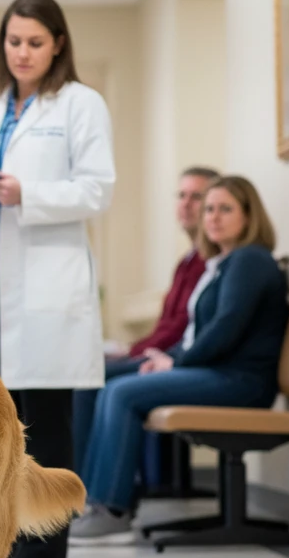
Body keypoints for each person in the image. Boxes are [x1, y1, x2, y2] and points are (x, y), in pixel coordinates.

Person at [0, 0, 115, 558]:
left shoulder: (79, 105)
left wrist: (29, 194)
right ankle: (8, 540)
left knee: (45, 417)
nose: (22, 52)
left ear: (58, 44)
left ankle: (48, 551)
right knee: (0, 422)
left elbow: (98, 189)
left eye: (35, 42)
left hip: (46, 281)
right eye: (14, 41)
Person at [69, 176, 288, 545]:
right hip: (219, 372)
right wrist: (169, 357)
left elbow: (225, 329)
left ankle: (112, 510)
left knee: (122, 393)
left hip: (241, 381)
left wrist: (177, 362)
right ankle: (95, 501)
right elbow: (204, 333)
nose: (213, 217)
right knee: (109, 383)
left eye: (226, 209)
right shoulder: (226, 262)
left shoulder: (250, 260)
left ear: (250, 216)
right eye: (209, 210)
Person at [72, 166, 218, 475]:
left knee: (92, 382)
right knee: (89, 372)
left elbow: (182, 328)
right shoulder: (188, 261)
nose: (186, 204)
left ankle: (86, 488)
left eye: (197, 196)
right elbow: (167, 324)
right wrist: (135, 348)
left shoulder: (214, 263)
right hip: (168, 352)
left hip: (181, 358)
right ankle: (88, 483)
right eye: (181, 196)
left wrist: (139, 352)